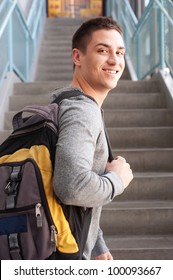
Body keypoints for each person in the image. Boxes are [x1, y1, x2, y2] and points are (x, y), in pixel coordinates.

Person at [53, 16, 133, 260]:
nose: (114, 61)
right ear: (77, 57)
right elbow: (71, 187)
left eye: (120, 52)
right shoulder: (82, 111)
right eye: (102, 50)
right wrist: (116, 180)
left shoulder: (62, 101)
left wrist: (96, 242)